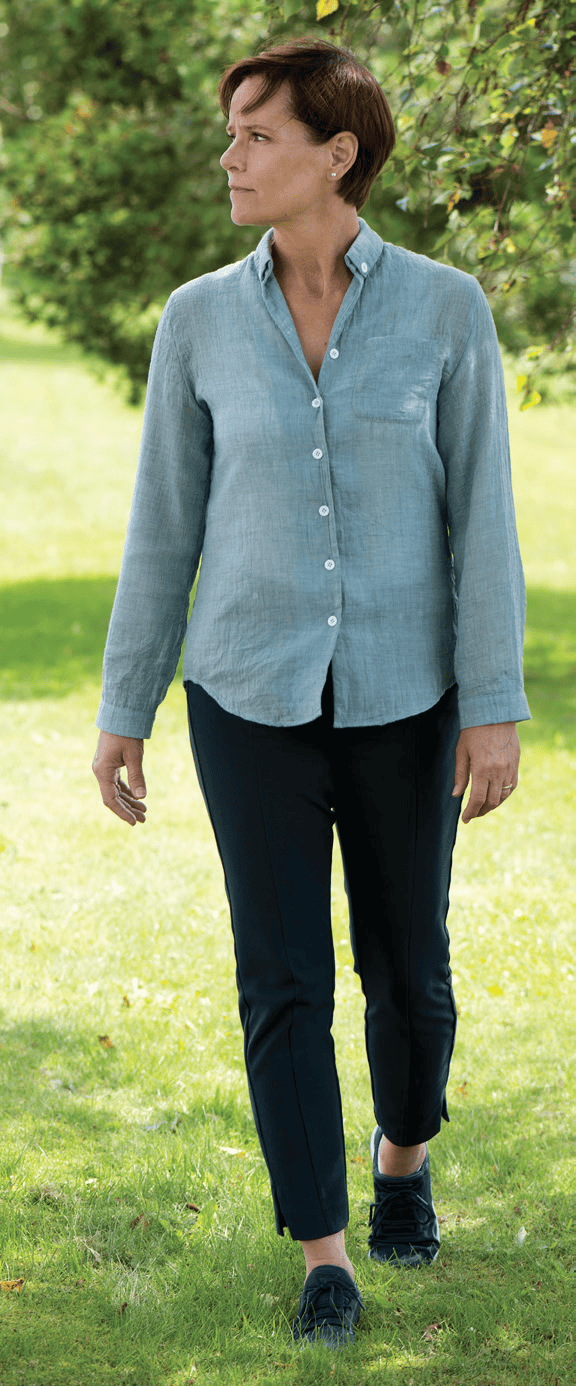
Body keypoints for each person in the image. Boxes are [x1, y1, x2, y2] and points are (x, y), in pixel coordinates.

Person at [92, 36, 530, 1351]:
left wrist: (493, 701)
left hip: (408, 698)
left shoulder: (447, 312)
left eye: (255, 135)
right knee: (280, 979)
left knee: (411, 977)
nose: (230, 160)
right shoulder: (198, 321)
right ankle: (324, 1251)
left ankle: (404, 1157)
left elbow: (485, 525)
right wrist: (128, 705)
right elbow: (162, 526)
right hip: (246, 692)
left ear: (334, 155)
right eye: (230, 135)